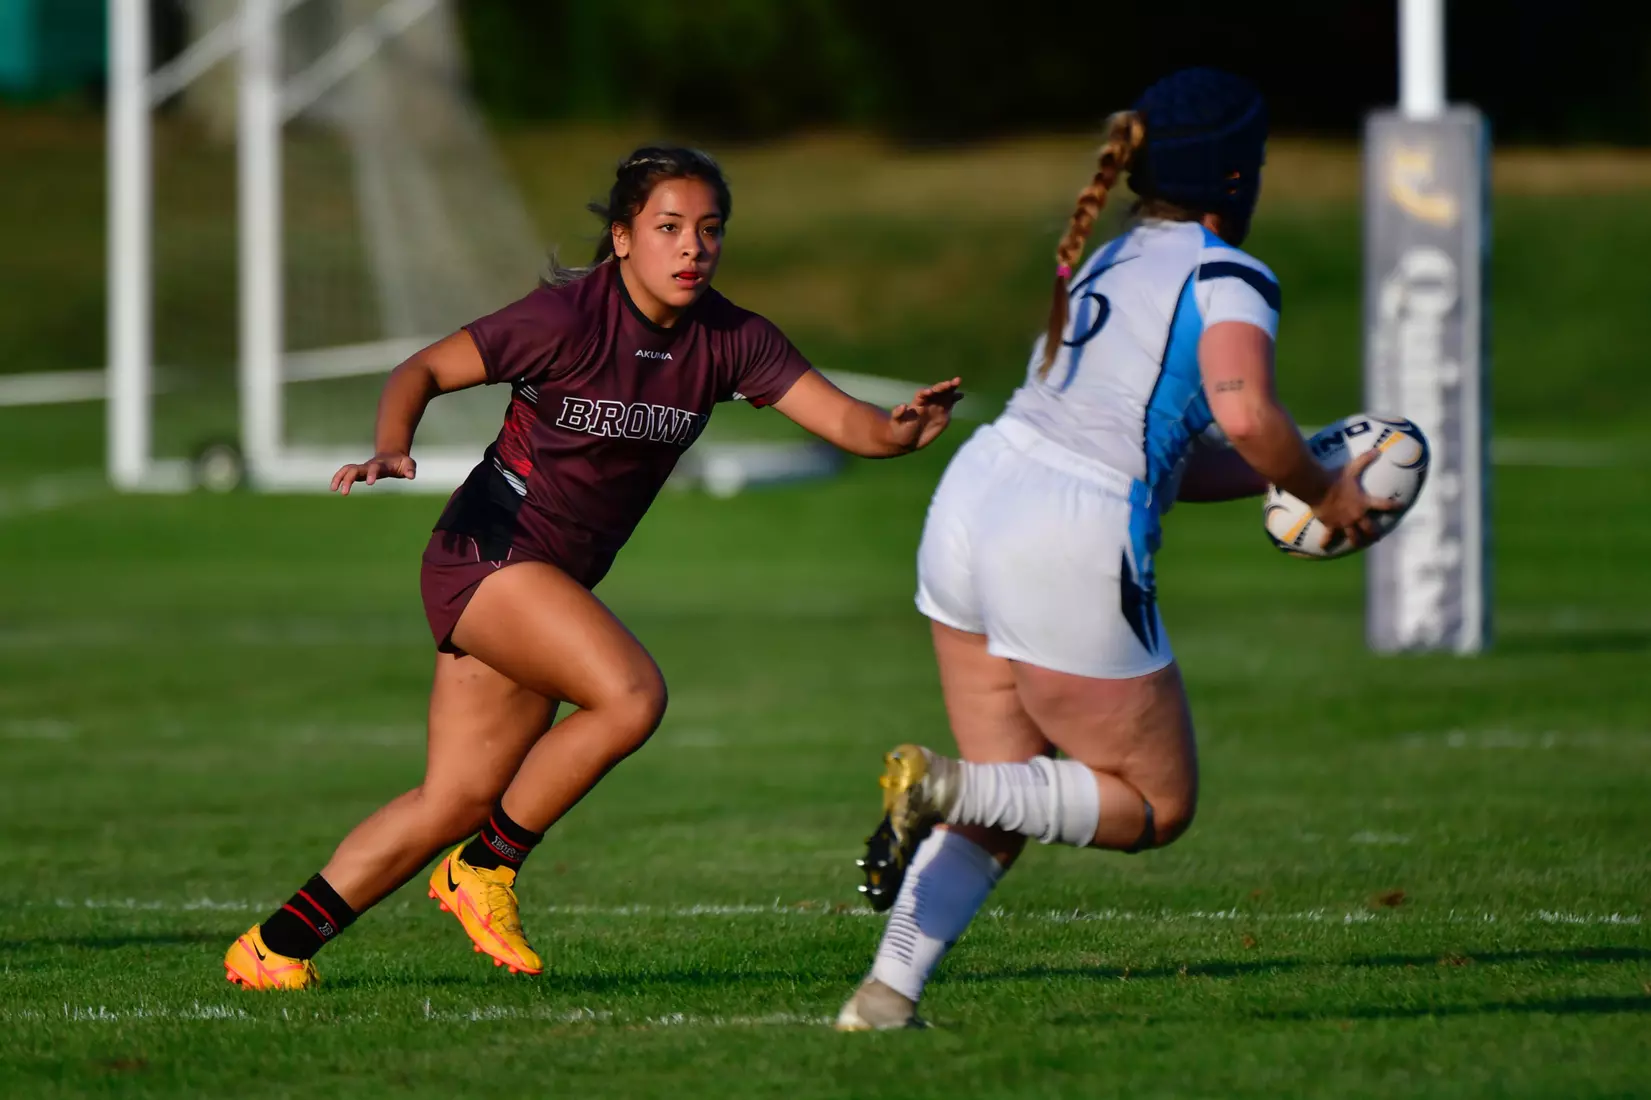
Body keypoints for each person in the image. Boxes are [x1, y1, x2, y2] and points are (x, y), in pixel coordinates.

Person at [223, 145, 963, 990]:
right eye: (669, 228)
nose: (692, 248)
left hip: (547, 580)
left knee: (455, 798)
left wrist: (900, 430)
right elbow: (421, 368)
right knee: (631, 695)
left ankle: (275, 947)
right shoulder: (566, 318)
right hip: (489, 552)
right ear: (621, 238)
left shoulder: (731, 338)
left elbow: (851, 425)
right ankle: (485, 870)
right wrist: (393, 447)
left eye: (709, 231)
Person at [835, 69, 1396, 1030]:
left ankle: (884, 998)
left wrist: (1285, 477)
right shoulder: (1226, 273)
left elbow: (1167, 448)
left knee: (1018, 796)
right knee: (1152, 804)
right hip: (1067, 528)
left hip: (977, 495)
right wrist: (1323, 490)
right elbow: (1246, 411)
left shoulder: (1109, 255)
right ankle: (939, 785)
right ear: (1236, 175)